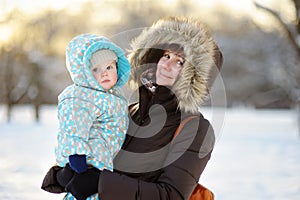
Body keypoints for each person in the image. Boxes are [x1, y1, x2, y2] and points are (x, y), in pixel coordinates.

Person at [42, 16, 223, 200]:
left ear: (195, 77)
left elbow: (171, 195)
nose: (167, 65)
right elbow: (93, 152)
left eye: (179, 62)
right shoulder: (127, 111)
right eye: (166, 55)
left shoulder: (196, 128)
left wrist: (100, 182)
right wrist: (62, 174)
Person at [51, 33, 131, 200]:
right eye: (96, 69)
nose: (104, 73)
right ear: (83, 72)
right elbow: (72, 129)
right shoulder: (80, 96)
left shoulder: (113, 95)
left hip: (104, 166)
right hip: (87, 166)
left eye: (109, 67)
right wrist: (78, 162)